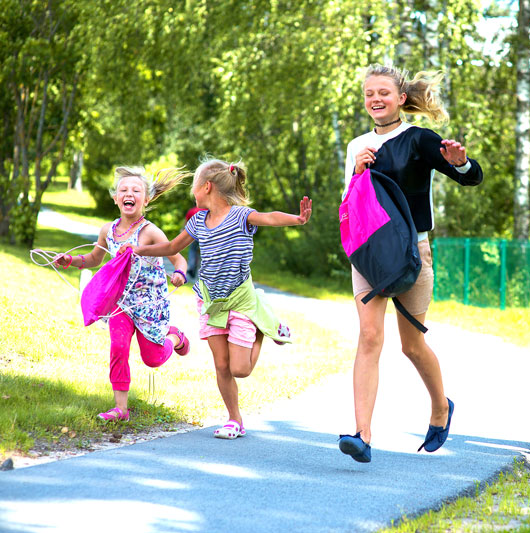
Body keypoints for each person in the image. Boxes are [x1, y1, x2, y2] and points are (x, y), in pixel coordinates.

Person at [337, 65, 483, 463]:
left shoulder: (419, 140)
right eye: (369, 94)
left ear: (401, 98)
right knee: (369, 337)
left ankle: (440, 407)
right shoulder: (356, 145)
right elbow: (350, 204)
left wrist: (460, 161)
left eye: (383, 92)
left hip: (414, 253)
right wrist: (358, 171)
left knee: (412, 345)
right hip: (369, 252)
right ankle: (361, 435)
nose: (375, 100)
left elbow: (472, 179)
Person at [126, 158, 312, 439]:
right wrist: (139, 250)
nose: (194, 194)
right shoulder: (198, 221)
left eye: (195, 188)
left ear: (207, 187)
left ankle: (263, 327)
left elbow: (270, 216)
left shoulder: (240, 216)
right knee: (222, 365)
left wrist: (296, 219)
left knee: (241, 369)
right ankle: (234, 419)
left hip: (240, 300)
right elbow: (173, 246)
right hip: (210, 302)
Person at [54, 166, 192, 422]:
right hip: (121, 304)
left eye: (136, 190)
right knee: (118, 347)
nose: (129, 194)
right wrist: (70, 260)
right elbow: (94, 259)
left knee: (153, 360)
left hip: (150, 304)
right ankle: (120, 409)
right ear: (116, 198)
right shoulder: (108, 230)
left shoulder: (150, 232)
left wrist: (180, 274)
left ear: (146, 199)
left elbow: (178, 258)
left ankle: (175, 337)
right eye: (123, 190)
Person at [184, 206, 204, 279]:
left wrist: (183, 230)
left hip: (193, 235)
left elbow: (186, 223)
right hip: (204, 235)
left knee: (192, 250)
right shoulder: (206, 210)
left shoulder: (191, 211)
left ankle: (191, 267)